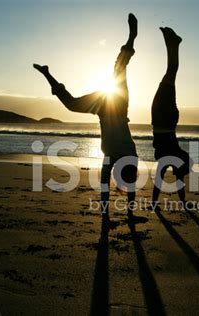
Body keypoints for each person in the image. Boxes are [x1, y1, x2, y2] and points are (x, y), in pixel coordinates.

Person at [33, 13, 139, 216]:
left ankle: (47, 74)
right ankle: (132, 36)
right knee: (118, 68)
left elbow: (113, 183)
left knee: (115, 71)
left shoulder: (127, 156)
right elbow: (112, 183)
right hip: (113, 103)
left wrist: (113, 209)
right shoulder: (124, 157)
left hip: (107, 103)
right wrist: (127, 212)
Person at [151, 27, 192, 211]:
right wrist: (153, 203)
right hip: (163, 117)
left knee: (170, 74)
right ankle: (173, 44)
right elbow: (160, 182)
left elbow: (161, 182)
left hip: (167, 118)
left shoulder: (173, 156)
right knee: (170, 72)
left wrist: (153, 204)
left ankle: (173, 44)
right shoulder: (167, 158)